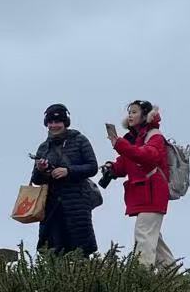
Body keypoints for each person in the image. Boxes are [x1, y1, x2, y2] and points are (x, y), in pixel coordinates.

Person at [104, 101, 176, 270]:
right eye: (129, 112)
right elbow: (126, 163)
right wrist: (112, 168)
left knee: (144, 233)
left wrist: (120, 145)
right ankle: (172, 274)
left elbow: (146, 156)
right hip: (144, 192)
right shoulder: (134, 139)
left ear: (145, 115)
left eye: (134, 112)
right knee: (153, 237)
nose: (130, 115)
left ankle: (141, 274)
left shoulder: (155, 136)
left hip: (153, 191)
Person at [31, 104, 99, 256]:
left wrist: (68, 171)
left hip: (77, 204)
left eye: (58, 122)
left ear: (65, 122)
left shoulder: (80, 140)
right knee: (52, 251)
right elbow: (36, 180)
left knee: (80, 251)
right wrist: (41, 170)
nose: (54, 125)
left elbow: (92, 167)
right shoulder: (43, 148)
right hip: (52, 206)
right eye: (50, 122)